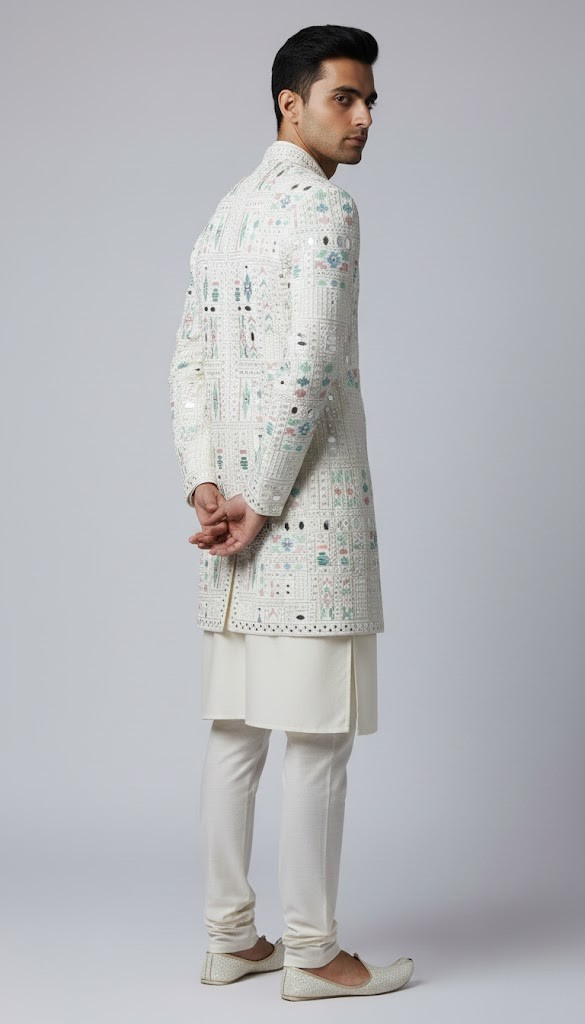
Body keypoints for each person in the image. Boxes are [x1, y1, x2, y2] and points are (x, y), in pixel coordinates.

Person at [169, 24, 414, 1002]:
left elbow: (188, 363)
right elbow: (310, 367)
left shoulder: (225, 213)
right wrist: (261, 502)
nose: (363, 119)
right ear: (290, 103)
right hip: (300, 523)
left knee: (235, 736)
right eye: (344, 98)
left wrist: (207, 485)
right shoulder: (325, 209)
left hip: (229, 528)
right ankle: (313, 954)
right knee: (317, 742)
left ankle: (230, 939)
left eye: (370, 102)